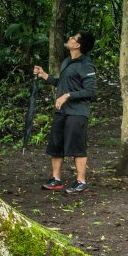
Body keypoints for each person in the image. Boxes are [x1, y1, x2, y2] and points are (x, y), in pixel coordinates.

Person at [35, 32, 97, 194]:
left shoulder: (86, 65)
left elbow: (91, 91)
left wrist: (68, 96)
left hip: (77, 112)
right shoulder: (67, 62)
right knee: (56, 145)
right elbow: (61, 82)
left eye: (73, 38)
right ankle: (56, 179)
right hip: (62, 111)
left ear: (78, 45)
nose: (69, 38)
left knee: (77, 146)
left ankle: (81, 181)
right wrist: (44, 76)